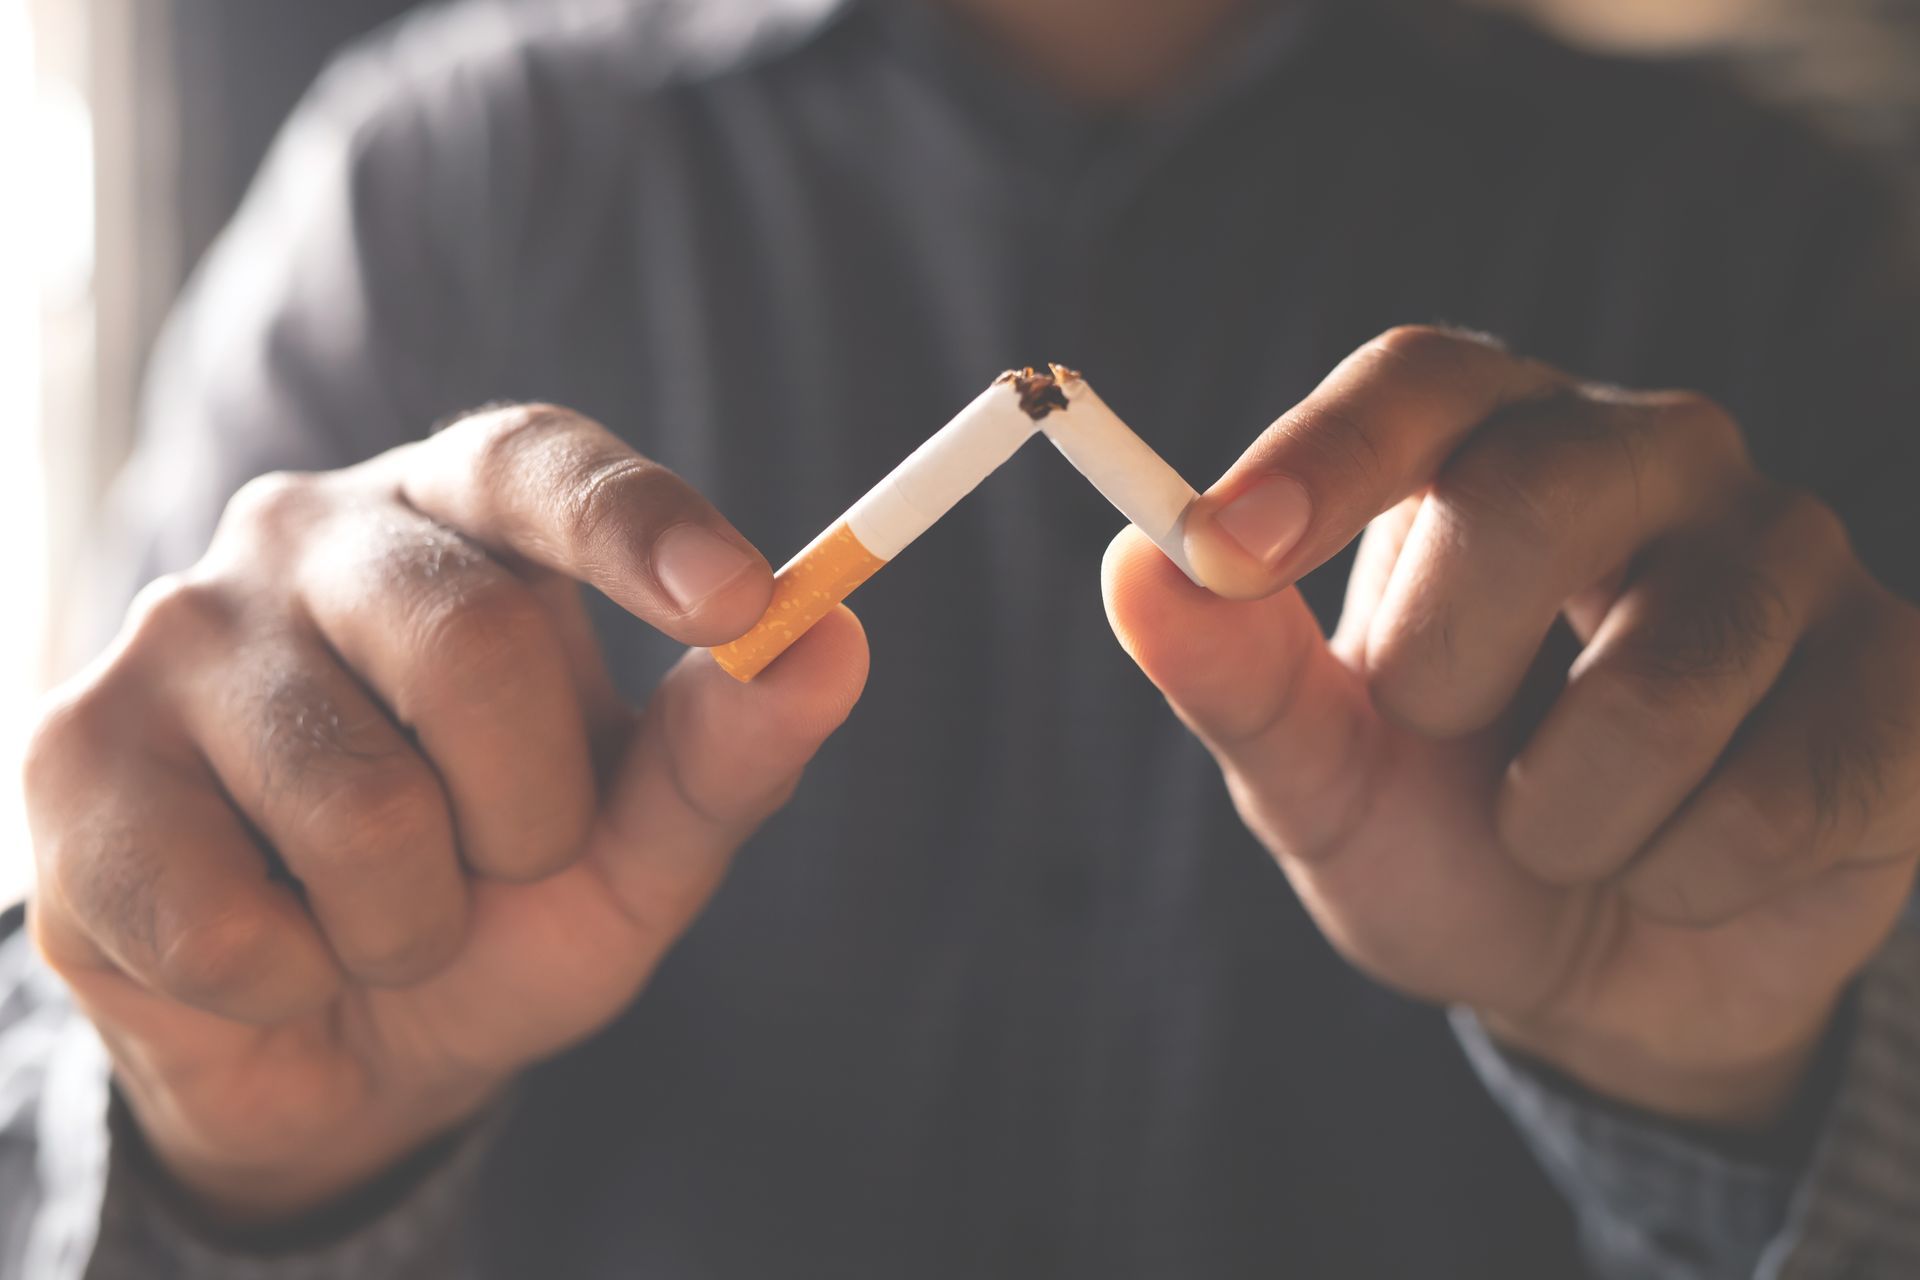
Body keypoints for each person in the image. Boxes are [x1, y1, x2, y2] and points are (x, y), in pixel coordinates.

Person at [4, 0, 1919, 1274]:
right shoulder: (436, 187)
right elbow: (71, 1058)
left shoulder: (1772, 241)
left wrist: (1739, 1107)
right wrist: (234, 1151)